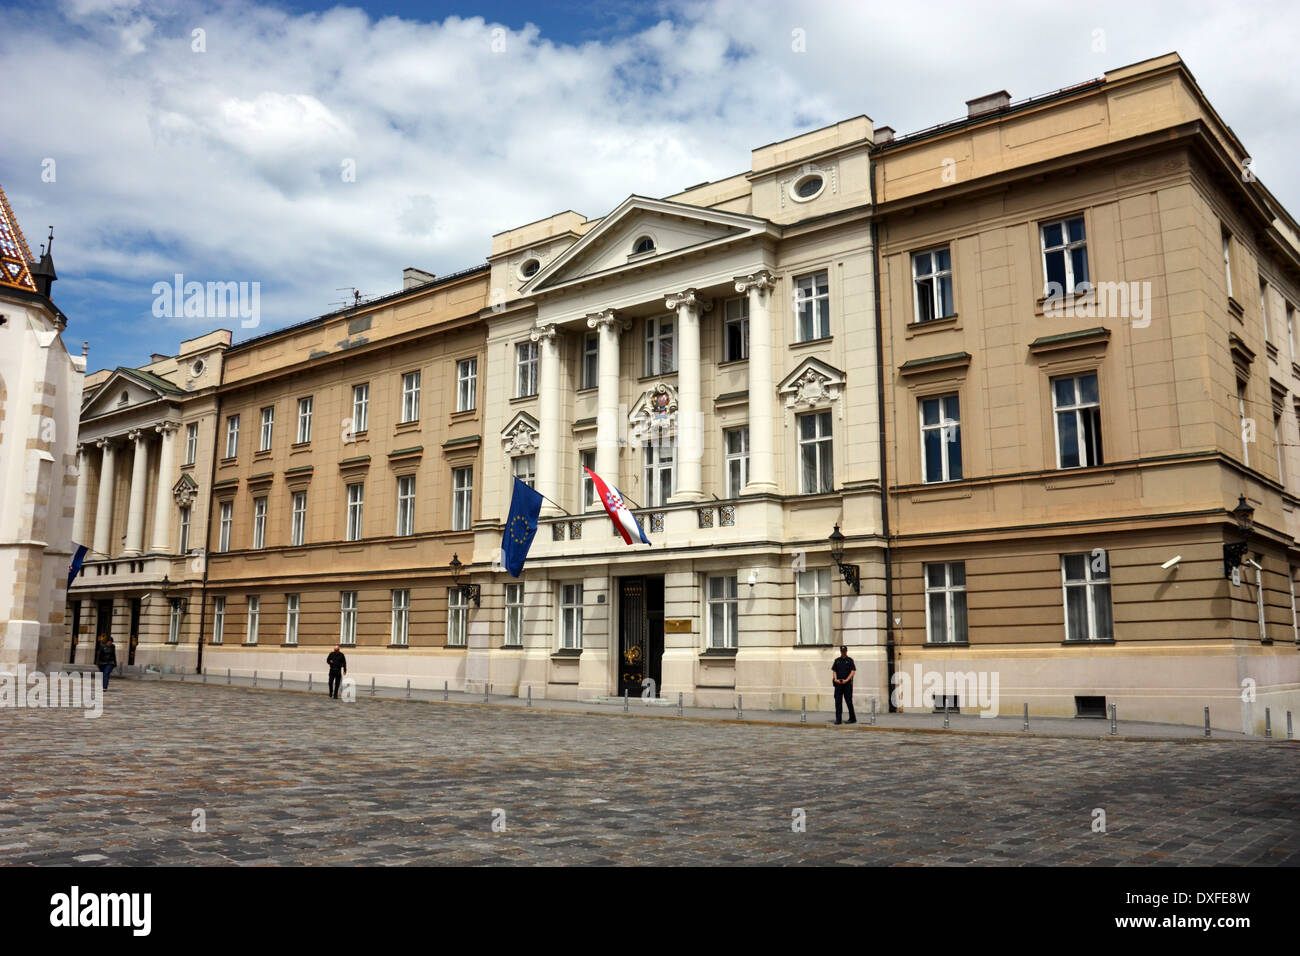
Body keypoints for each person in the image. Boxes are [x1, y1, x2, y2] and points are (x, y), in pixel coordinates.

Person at [831, 645, 856, 725]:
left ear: (846, 651)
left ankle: (852, 718)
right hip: (838, 684)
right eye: (842, 651)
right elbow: (834, 671)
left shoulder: (849, 660)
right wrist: (835, 679)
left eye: (844, 651)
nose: (843, 652)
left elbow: (852, 671)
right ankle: (838, 719)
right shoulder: (837, 660)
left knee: (849, 701)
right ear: (840, 651)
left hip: (847, 684)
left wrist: (847, 680)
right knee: (838, 702)